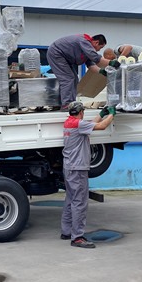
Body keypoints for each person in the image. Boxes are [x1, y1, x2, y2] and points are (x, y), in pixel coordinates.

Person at [60, 101, 116, 248]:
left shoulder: (69, 123)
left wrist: (101, 114)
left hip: (69, 167)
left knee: (70, 199)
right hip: (78, 168)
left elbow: (89, 124)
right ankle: (77, 237)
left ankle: (66, 231)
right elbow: (102, 126)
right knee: (80, 202)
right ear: (80, 112)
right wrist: (111, 115)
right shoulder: (79, 125)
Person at [47, 33, 120, 107]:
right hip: (57, 54)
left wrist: (102, 71)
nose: (98, 50)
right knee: (68, 79)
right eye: (100, 47)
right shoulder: (84, 41)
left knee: (75, 79)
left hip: (65, 59)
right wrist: (111, 63)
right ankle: (66, 103)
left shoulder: (86, 50)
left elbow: (91, 66)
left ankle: (70, 102)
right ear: (96, 42)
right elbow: (96, 57)